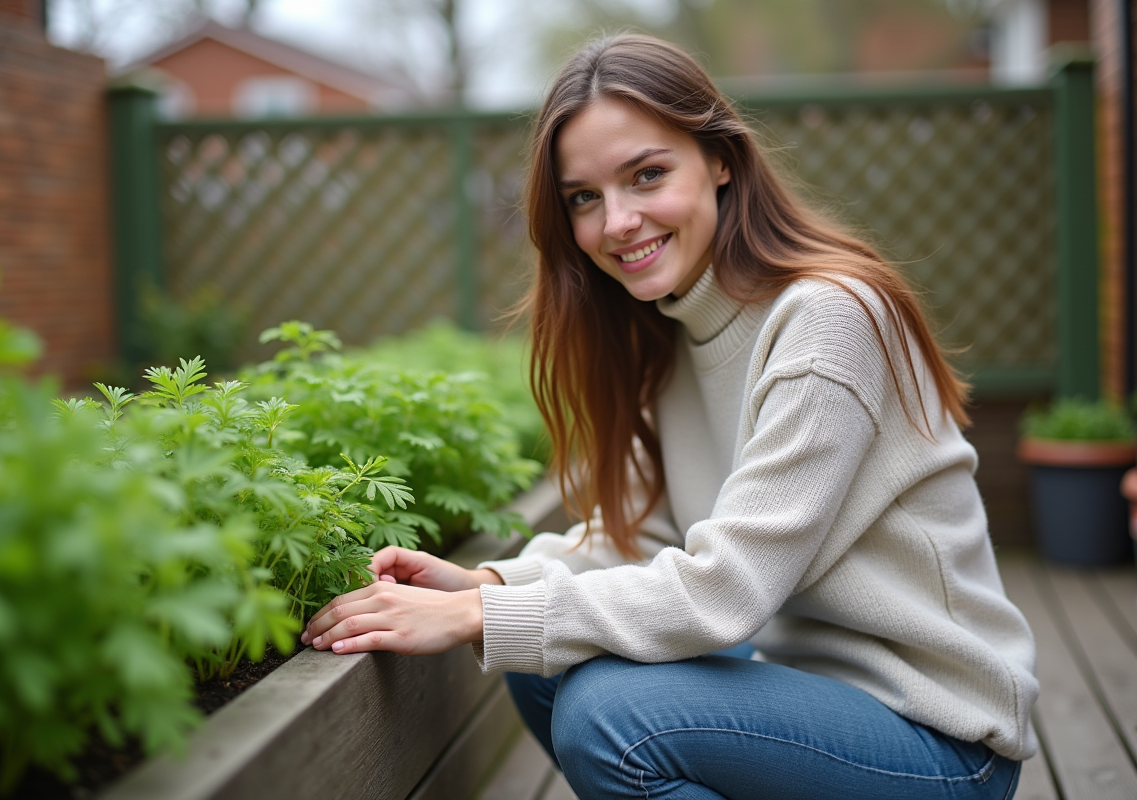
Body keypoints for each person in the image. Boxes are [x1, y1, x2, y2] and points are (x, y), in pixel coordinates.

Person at [300, 33, 1038, 799]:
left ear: (720, 159)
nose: (617, 222)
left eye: (646, 175)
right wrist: (486, 582)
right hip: (812, 695)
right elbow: (642, 540)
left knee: (608, 714)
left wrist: (484, 614)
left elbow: (729, 590)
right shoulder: (669, 330)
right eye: (584, 197)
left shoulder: (828, 318)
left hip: (940, 739)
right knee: (546, 668)